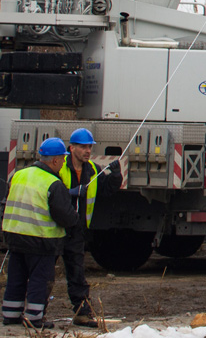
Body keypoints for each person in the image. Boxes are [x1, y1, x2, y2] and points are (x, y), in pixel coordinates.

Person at [2, 138, 78, 328]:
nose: (63, 163)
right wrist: (75, 215)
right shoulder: (53, 183)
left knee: (16, 277)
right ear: (54, 161)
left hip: (15, 236)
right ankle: (34, 318)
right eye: (62, 159)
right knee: (39, 279)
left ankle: (10, 314)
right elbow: (65, 217)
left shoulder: (19, 175)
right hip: (41, 239)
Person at [60, 127, 122, 327]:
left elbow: (107, 190)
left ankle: (82, 313)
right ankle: (37, 312)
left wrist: (115, 176)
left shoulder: (93, 170)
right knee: (43, 273)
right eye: (83, 147)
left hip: (77, 229)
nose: (87, 151)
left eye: (89, 147)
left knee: (77, 272)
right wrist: (70, 192)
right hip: (55, 228)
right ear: (72, 148)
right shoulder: (60, 168)